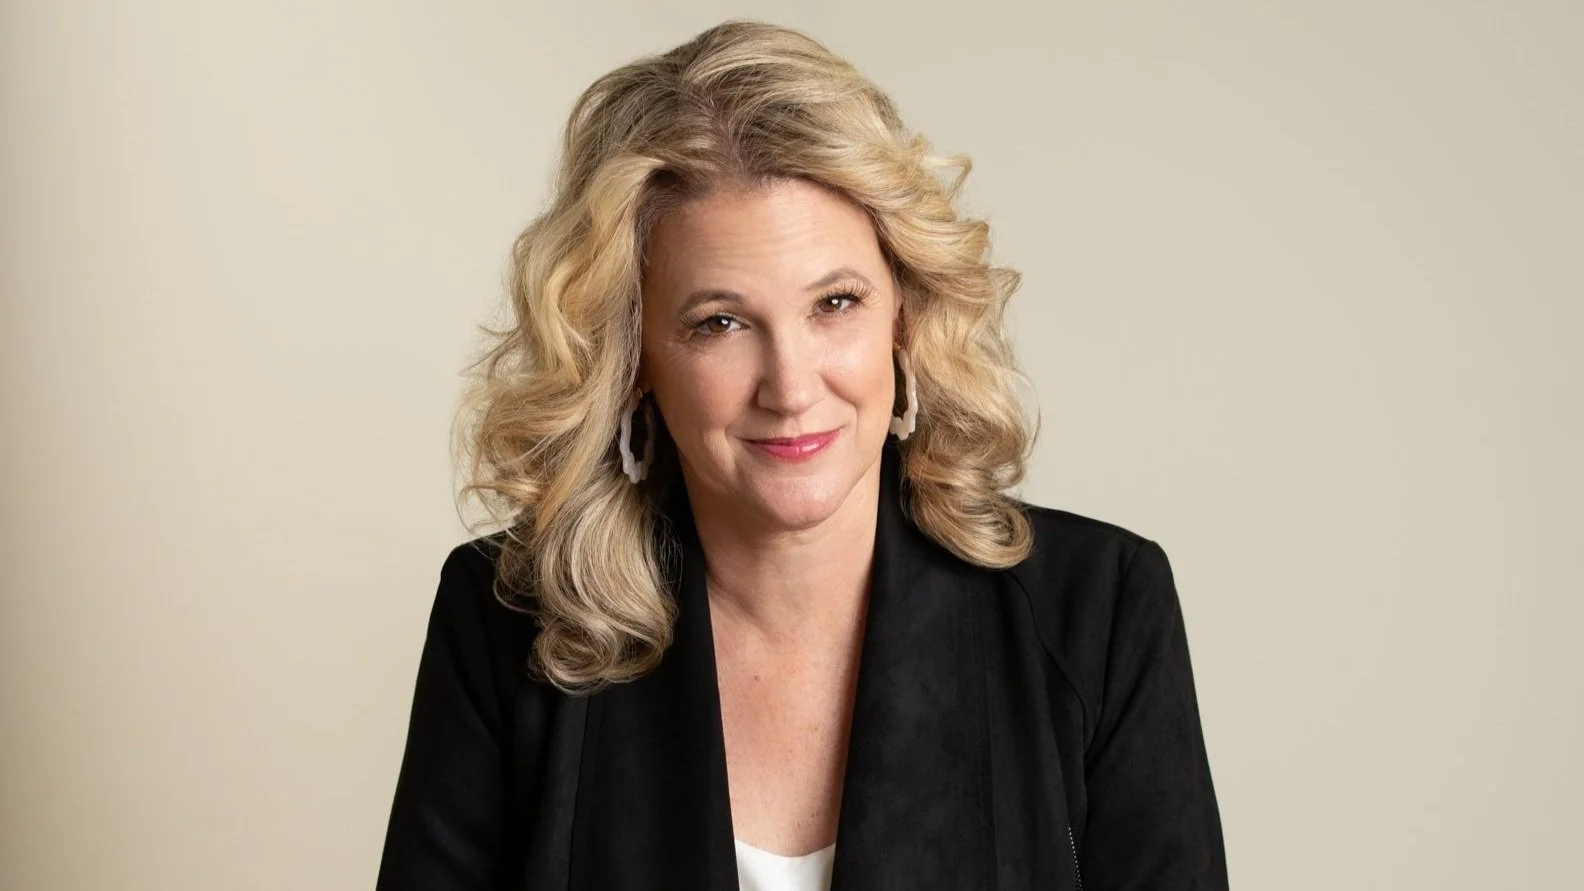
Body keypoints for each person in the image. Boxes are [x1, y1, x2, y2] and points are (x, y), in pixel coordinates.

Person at [375, 19, 1227, 891]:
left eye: (836, 303)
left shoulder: (1101, 612)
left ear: (906, 312)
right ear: (631, 359)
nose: (790, 385)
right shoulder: (503, 622)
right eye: (720, 322)